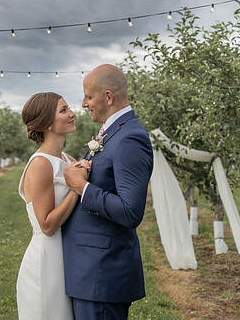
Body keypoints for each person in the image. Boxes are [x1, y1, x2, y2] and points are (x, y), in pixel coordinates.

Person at [62, 64, 154, 320]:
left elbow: (130, 211)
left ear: (108, 96)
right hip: (90, 271)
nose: (83, 104)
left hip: (102, 274)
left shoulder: (129, 138)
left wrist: (82, 187)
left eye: (88, 97)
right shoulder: (114, 132)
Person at [16, 92, 80, 320]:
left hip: (67, 255)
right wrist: (76, 188)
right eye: (63, 110)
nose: (72, 113)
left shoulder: (67, 159)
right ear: (46, 123)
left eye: (69, 108)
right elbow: (46, 226)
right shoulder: (41, 164)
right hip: (47, 261)